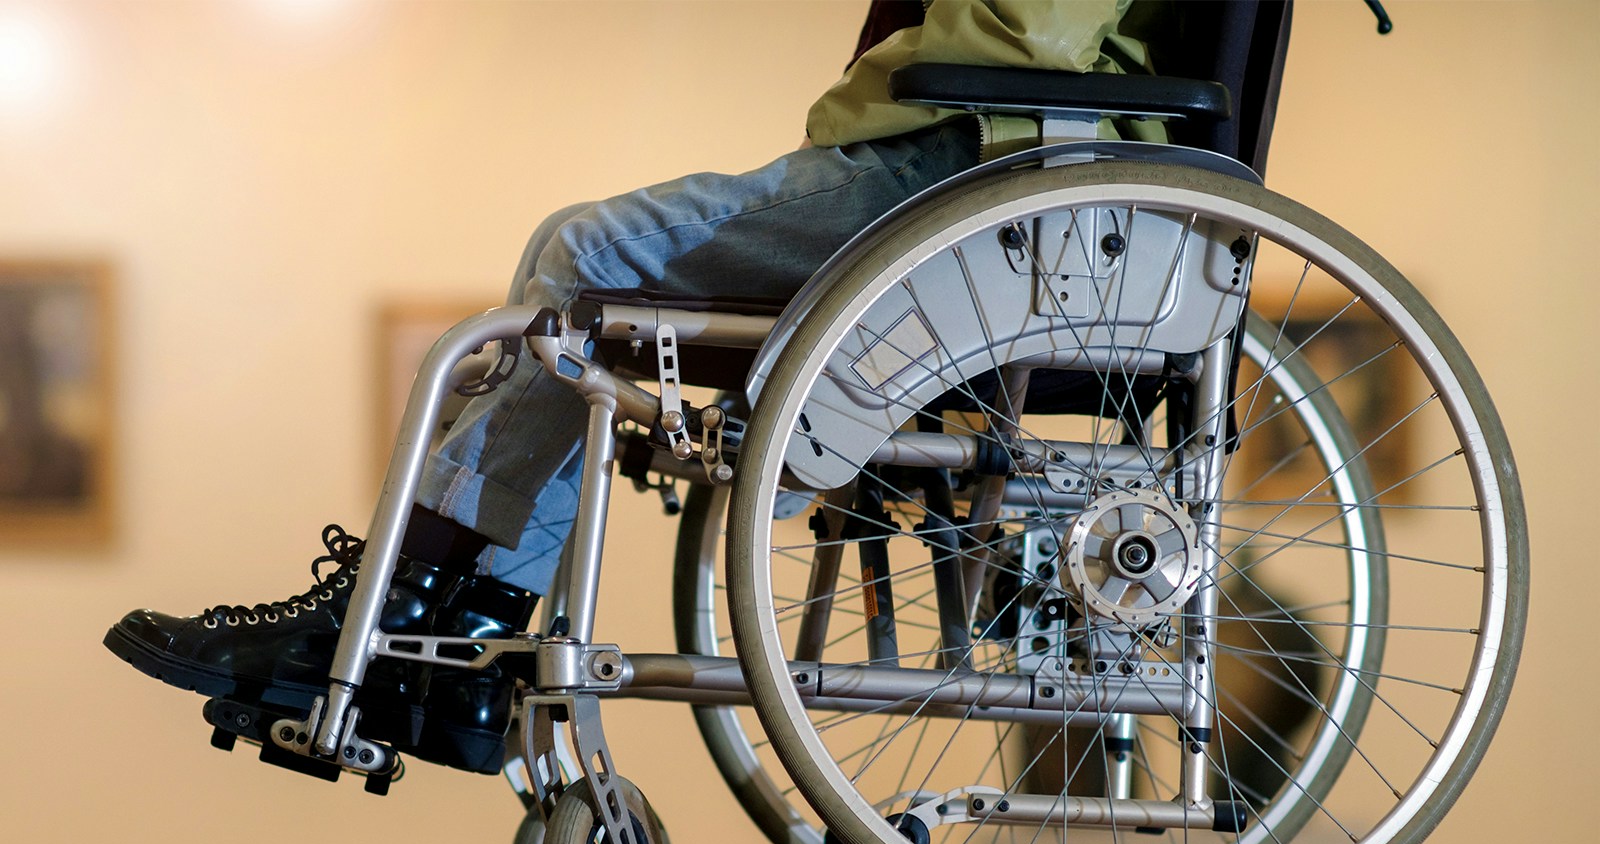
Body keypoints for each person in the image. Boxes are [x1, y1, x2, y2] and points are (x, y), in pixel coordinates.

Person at [105, 1, 1162, 774]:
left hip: (983, 162)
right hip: (959, 154)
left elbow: (1031, 36)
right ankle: (437, 627)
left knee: (586, 251)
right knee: (576, 277)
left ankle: (407, 617)